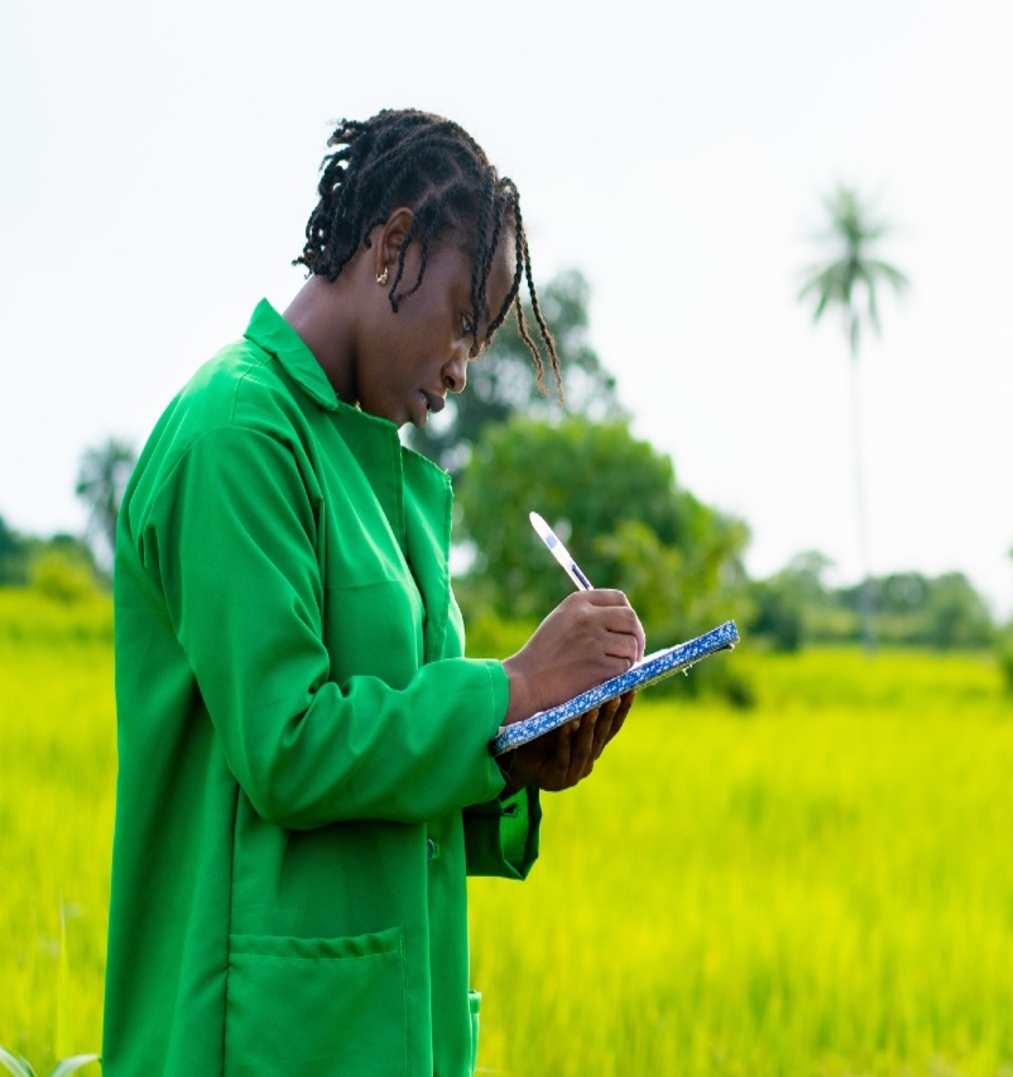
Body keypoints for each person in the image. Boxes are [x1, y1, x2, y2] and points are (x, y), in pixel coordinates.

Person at [102, 109, 645, 1076]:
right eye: (462, 322)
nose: (462, 367)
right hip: (249, 1036)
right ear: (393, 245)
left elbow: (394, 764)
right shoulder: (238, 430)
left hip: (378, 1030)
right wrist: (514, 688)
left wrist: (515, 755)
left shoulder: (373, 474)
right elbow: (288, 746)